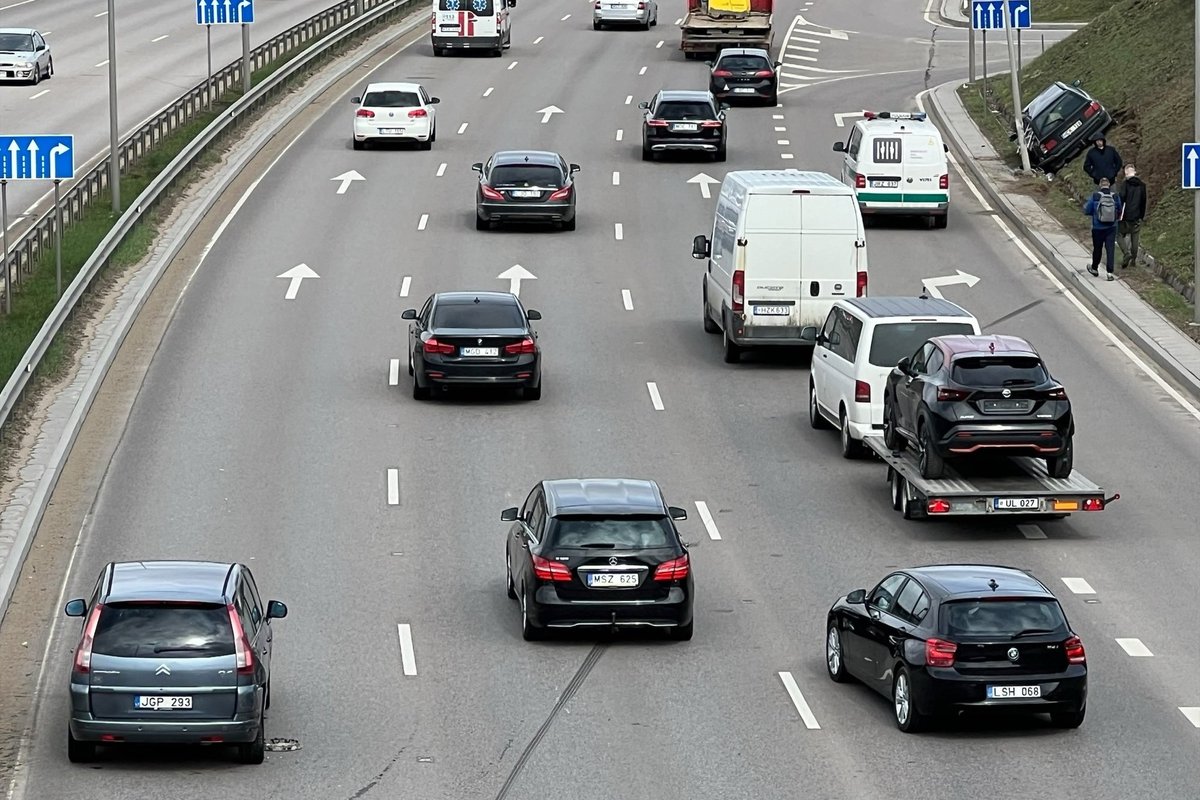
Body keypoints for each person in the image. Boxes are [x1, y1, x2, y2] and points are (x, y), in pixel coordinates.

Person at [1083, 177, 1123, 281]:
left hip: (1097, 227)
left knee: (1097, 248)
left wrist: (1095, 213)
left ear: (1100, 185)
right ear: (1109, 185)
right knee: (1110, 249)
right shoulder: (1115, 196)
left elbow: (1087, 210)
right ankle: (1109, 273)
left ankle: (1094, 268)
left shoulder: (1095, 196)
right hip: (1111, 227)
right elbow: (1119, 209)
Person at [1117, 164, 1147, 268]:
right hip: (1137, 216)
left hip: (1126, 216)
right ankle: (1133, 260)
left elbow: (1121, 199)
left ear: (1126, 174)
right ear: (1135, 172)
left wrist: (1118, 214)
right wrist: (1141, 216)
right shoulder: (1142, 186)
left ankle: (1126, 253)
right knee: (1135, 237)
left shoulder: (1125, 184)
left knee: (1118, 234)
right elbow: (1144, 202)